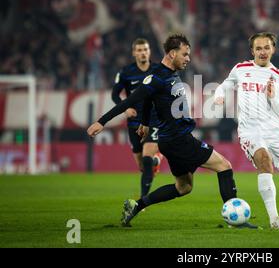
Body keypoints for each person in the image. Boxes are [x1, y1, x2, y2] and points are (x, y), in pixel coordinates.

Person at [87, 34, 257, 229]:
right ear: (172, 53)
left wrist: (144, 122)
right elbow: (130, 100)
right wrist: (101, 122)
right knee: (224, 166)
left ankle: (136, 205)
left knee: (183, 187)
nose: (188, 59)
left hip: (170, 140)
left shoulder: (171, 73)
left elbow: (150, 101)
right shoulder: (157, 77)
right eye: (185, 54)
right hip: (179, 140)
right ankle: (236, 221)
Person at [214, 32, 279, 229]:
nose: (262, 52)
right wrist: (219, 95)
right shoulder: (241, 69)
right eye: (258, 48)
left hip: (275, 132)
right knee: (264, 160)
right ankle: (275, 220)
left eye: (266, 48)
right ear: (252, 50)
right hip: (250, 129)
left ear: (273, 49)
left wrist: (272, 97)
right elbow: (224, 85)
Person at [111, 38, 163, 197]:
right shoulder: (125, 72)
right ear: (134, 53)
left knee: (147, 159)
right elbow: (114, 95)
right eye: (139, 50)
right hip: (134, 122)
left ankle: (142, 200)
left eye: (145, 50)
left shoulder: (158, 70)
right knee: (142, 166)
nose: (143, 53)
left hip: (154, 120)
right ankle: (157, 160)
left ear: (149, 52)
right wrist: (125, 108)